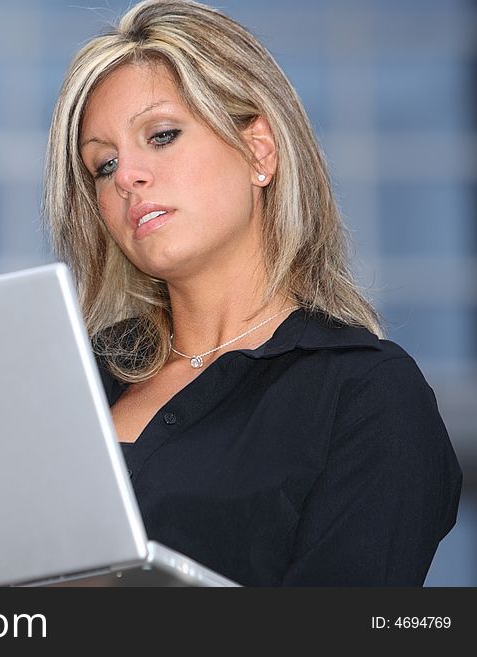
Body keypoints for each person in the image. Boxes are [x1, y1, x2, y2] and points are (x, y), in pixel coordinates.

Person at [42, 0, 462, 586]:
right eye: (103, 165)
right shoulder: (65, 380)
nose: (128, 178)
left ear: (259, 150)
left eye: (161, 136)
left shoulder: (365, 397)